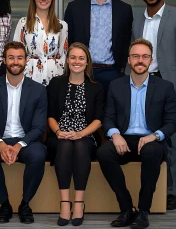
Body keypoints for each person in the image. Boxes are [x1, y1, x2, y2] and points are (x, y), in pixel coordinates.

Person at [97, 38, 176, 229]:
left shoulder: (165, 87)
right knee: (103, 153)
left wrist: (155, 135)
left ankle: (143, 211)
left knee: (152, 152)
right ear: (129, 60)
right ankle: (126, 208)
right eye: (135, 56)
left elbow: (172, 122)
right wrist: (115, 134)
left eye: (144, 56)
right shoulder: (116, 86)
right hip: (124, 140)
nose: (140, 60)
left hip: (150, 140)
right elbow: (107, 117)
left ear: (151, 60)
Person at [132, 0, 176, 210]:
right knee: (143, 133)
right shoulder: (137, 18)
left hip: (167, 83)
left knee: (168, 138)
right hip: (141, 81)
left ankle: (171, 191)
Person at [0, 41, 47, 224]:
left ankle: (25, 204)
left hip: (25, 141)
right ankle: (4, 204)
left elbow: (38, 127)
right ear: (4, 60)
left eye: (19, 57)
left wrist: (18, 145)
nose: (15, 61)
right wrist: (1, 144)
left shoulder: (38, 90)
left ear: (26, 61)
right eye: (11, 57)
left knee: (39, 154)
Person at [46, 42, 104, 226]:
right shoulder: (56, 83)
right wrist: (59, 132)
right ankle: (65, 202)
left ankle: (79, 202)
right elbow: (51, 116)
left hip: (87, 136)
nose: (76, 61)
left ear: (87, 62)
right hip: (59, 136)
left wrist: (80, 134)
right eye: (73, 57)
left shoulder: (96, 87)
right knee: (64, 145)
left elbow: (98, 119)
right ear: (67, 60)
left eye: (81, 58)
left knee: (79, 145)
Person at [64, 0, 133, 92]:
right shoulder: (74, 8)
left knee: (111, 113)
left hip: (113, 74)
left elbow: (126, 41)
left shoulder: (124, 10)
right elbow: (68, 41)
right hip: (82, 73)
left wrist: (121, 69)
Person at [13, 0, 68, 86]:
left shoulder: (62, 25)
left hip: (55, 78)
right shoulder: (23, 23)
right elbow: (17, 53)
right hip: (29, 77)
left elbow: (64, 56)